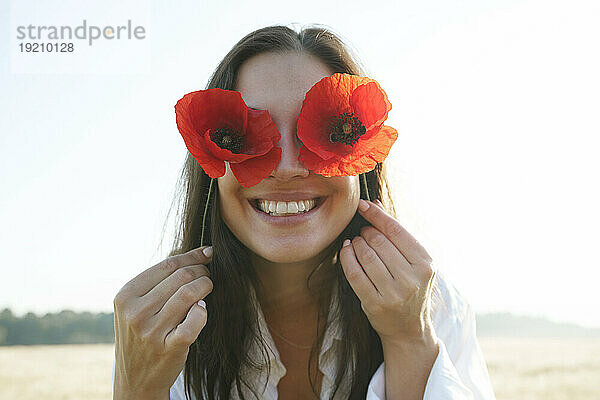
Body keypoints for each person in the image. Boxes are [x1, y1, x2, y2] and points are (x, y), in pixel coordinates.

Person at [112, 25, 497, 400]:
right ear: (210, 161)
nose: (287, 168)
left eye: (328, 131)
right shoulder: (159, 324)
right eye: (247, 137)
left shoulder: (433, 308)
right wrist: (138, 389)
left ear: (362, 162)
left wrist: (409, 339)